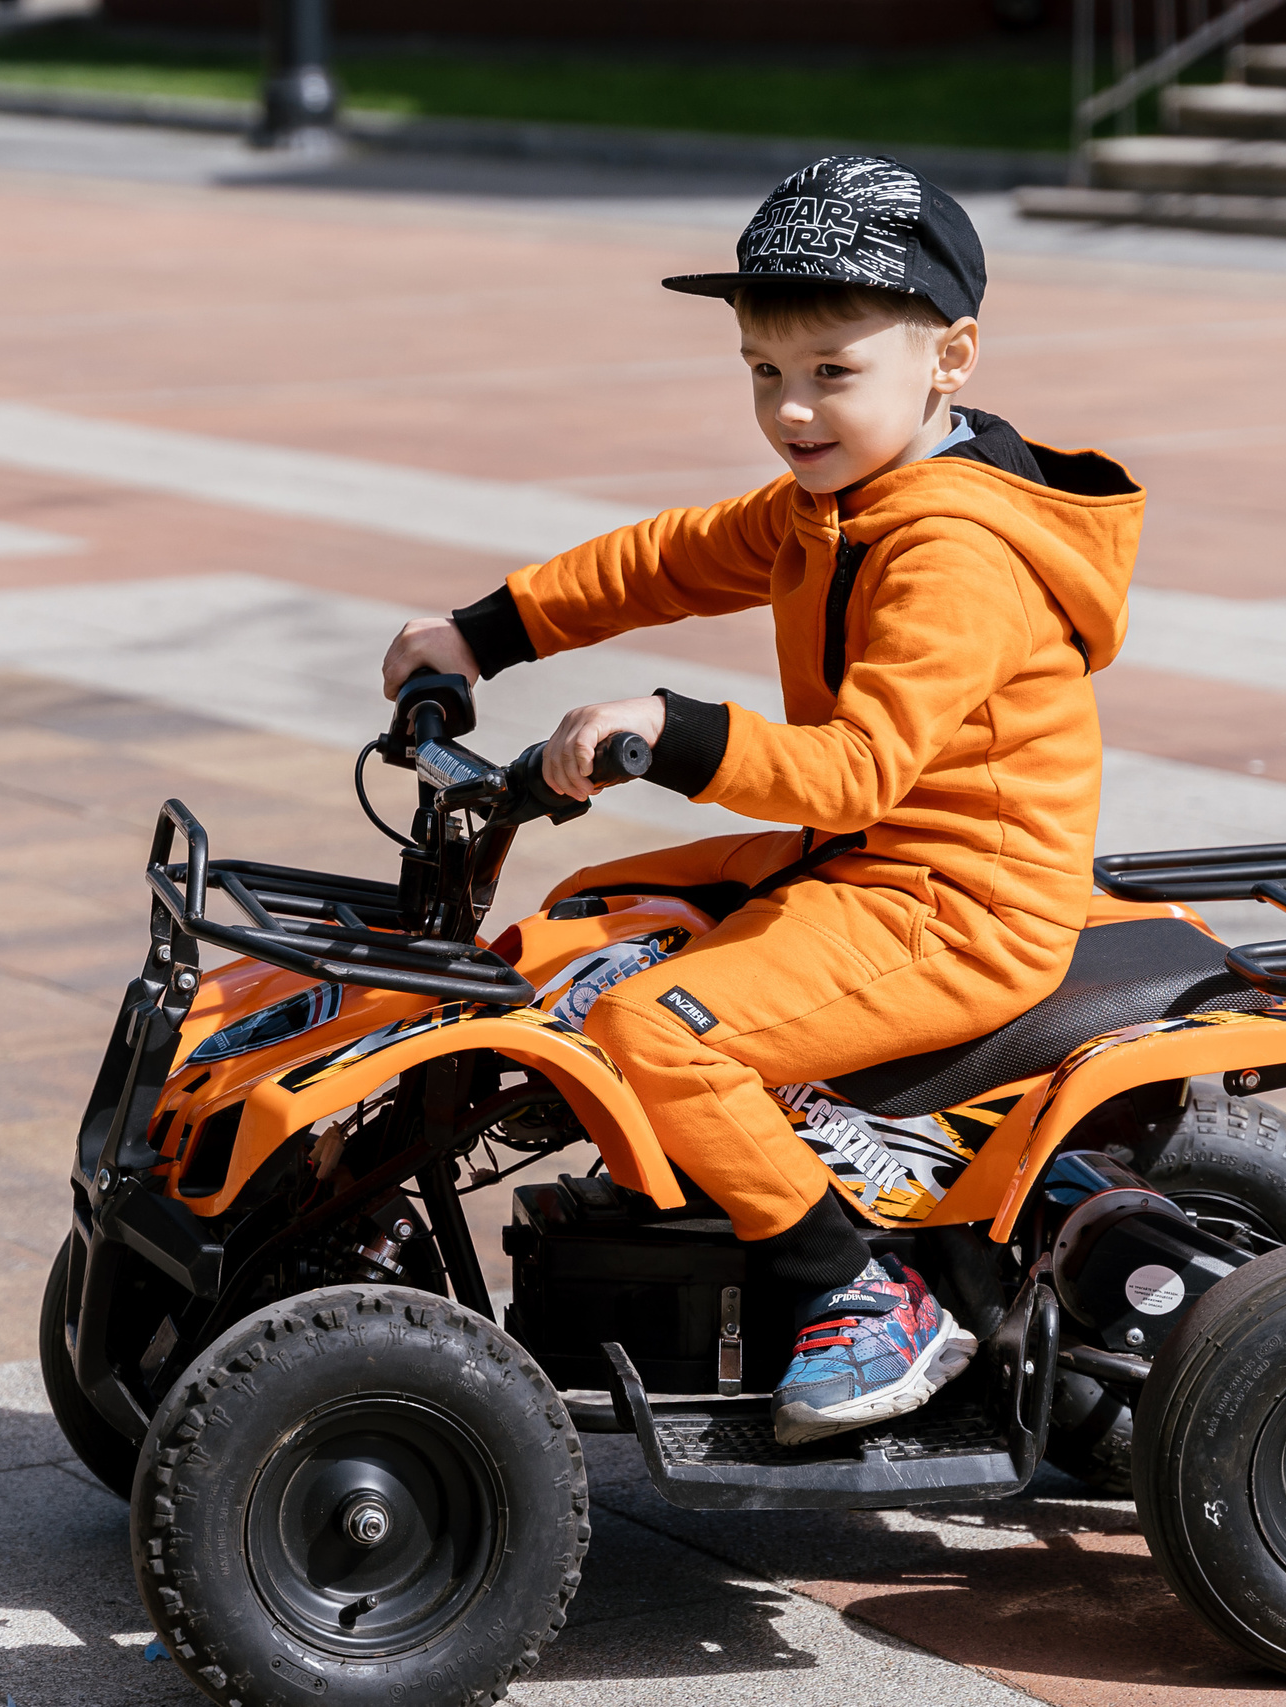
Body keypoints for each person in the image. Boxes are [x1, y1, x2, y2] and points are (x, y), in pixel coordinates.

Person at [381, 155, 1141, 1446]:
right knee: (588, 918)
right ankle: (809, 1151)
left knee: (654, 1032)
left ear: (948, 358)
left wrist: (664, 734)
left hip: (959, 905)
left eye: (832, 372)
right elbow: (668, 558)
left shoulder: (952, 552)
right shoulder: (832, 502)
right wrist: (477, 635)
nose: (793, 412)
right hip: (863, 860)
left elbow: (859, 769)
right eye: (763, 374)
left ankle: (856, 1288)